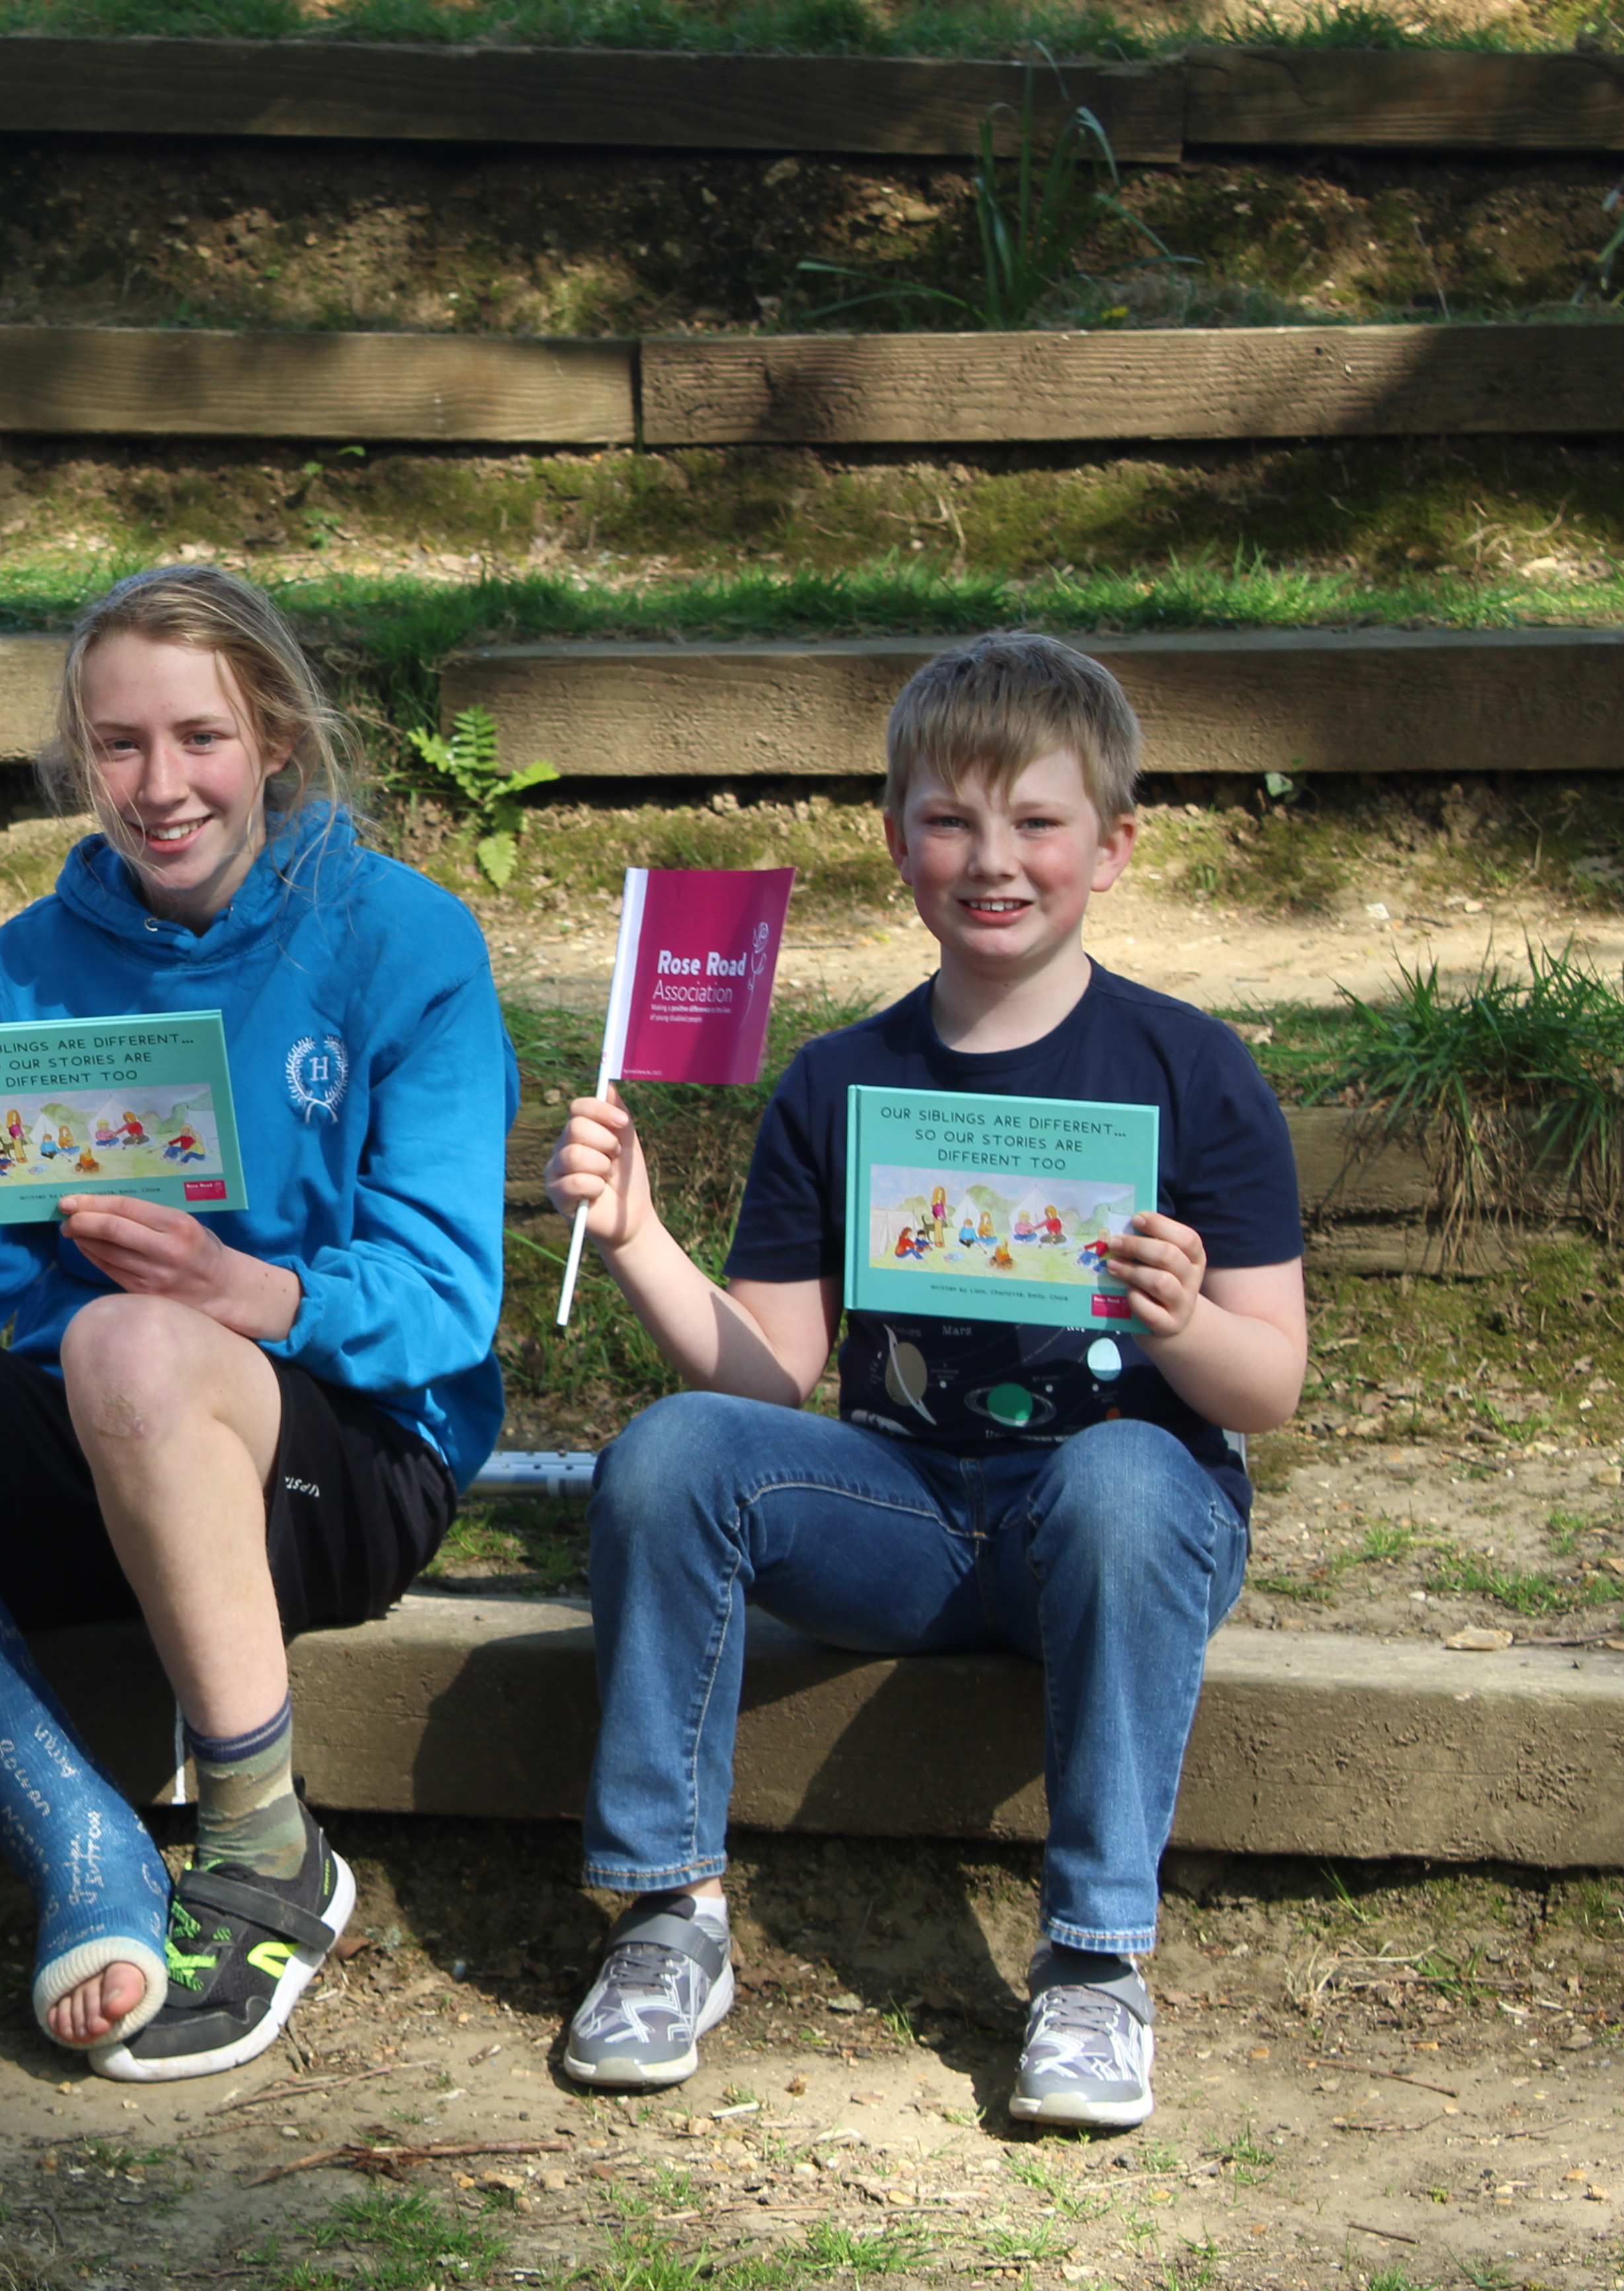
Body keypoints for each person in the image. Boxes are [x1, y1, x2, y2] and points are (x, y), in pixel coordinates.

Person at [0, 565, 514, 2082]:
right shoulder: (35, 959)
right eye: (118, 746)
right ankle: (81, 1845)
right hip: (89, 1436)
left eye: (199, 737)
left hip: (332, 1455)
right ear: (80, 760)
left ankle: (264, 1851)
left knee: (127, 1339)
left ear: (272, 737)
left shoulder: (405, 941)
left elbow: (449, 1304)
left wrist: (243, 1292)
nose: (161, 786)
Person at [541, 630, 1305, 2130]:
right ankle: (665, 1920)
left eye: (1037, 822)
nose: (993, 859)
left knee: (1126, 1475)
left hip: (1113, 1527)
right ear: (896, 844)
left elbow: (1267, 1385)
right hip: (901, 1517)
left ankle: (1094, 1967)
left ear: (1114, 845)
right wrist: (637, 1240)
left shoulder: (1190, 1069)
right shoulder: (839, 1085)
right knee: (671, 1453)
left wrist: (1178, 1324)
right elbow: (767, 1382)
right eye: (951, 821)